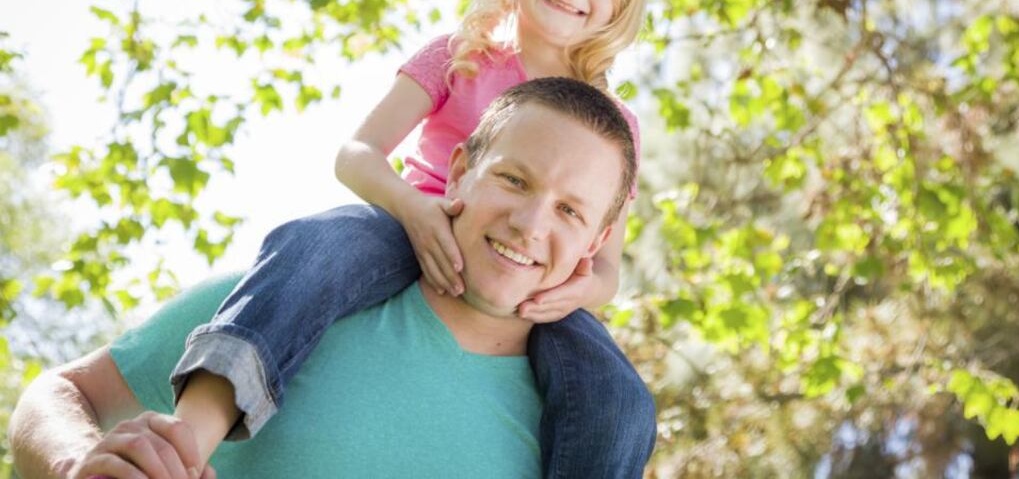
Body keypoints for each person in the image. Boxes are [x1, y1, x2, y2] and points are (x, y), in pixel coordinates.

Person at [171, 0, 654, 477]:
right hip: (408, 228)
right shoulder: (462, 56)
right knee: (315, 247)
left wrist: (570, 298)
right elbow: (356, 155)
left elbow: (606, 269)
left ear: (623, 3)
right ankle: (185, 438)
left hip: (529, 284)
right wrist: (412, 209)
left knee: (622, 401)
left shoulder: (615, 127)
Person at [10, 77, 648, 479]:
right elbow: (61, 392)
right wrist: (74, 465)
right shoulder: (285, 300)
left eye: (570, 210)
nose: (532, 223)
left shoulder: (585, 420)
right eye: (514, 179)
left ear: (596, 243)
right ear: (457, 174)